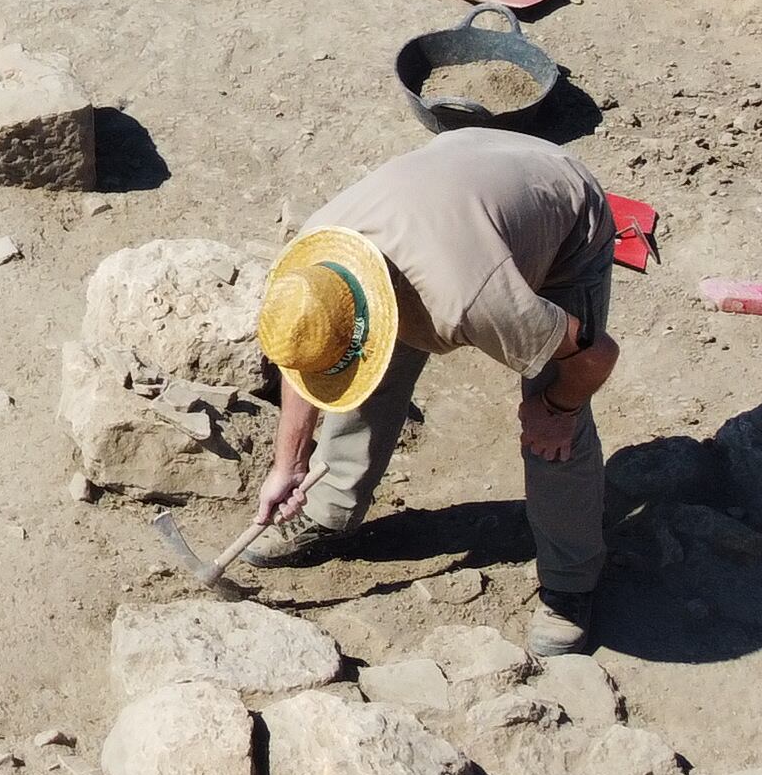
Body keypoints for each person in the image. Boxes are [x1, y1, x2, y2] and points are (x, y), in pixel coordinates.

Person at [243, 128, 623, 657]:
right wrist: (288, 464)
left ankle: (571, 583)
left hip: (560, 213)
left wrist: (559, 408)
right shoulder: (317, 266)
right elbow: (303, 360)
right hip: (459, 177)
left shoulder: (472, 302)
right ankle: (329, 508)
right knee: (358, 375)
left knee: (553, 433)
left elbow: (596, 355)